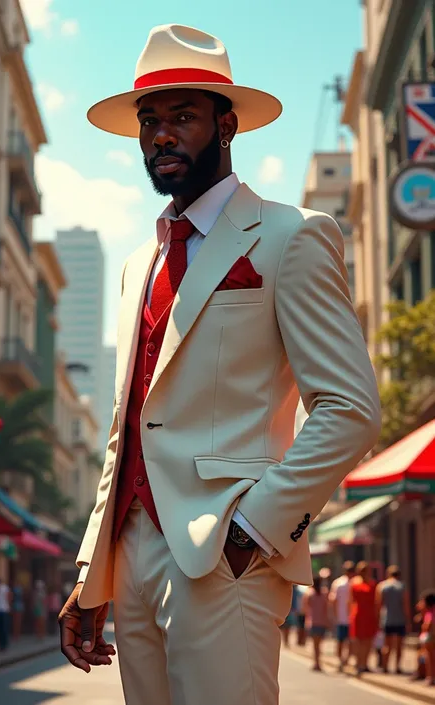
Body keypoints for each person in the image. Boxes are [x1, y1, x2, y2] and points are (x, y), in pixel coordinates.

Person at [58, 24, 381, 705]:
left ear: (227, 124)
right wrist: (93, 570)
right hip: (134, 553)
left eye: (183, 116)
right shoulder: (136, 265)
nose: (162, 136)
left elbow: (350, 409)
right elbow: (127, 431)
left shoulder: (292, 236)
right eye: (150, 121)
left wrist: (255, 527)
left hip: (227, 550)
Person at [376, 565, 411, 674]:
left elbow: (378, 604)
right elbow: (405, 604)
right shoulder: (402, 586)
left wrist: (378, 618)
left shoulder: (382, 586)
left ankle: (385, 666)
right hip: (399, 618)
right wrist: (408, 620)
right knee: (399, 645)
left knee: (387, 644)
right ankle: (397, 667)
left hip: (387, 618)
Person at [349, 561, 378, 675]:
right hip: (358, 614)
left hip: (369, 614)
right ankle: (359, 663)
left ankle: (365, 663)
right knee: (358, 640)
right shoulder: (354, 584)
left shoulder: (373, 584)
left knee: (368, 640)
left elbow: (376, 602)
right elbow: (351, 601)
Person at [329, 560, 356, 671]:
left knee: (347, 641)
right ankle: (342, 660)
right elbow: (333, 600)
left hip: (348, 617)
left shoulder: (351, 583)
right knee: (343, 641)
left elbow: (332, 600)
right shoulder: (340, 583)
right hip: (344, 617)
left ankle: (344, 661)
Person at [302, 576, 329, 672]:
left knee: (315, 645)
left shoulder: (309, 593)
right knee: (320, 645)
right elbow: (326, 609)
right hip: (322, 622)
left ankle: (316, 662)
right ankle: (318, 662)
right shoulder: (324, 593)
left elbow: (305, 608)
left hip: (313, 622)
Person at [419, 590, 435, 687]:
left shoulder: (429, 612)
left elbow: (428, 624)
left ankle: (430, 677)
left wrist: (424, 628)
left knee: (429, 658)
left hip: (430, 636)